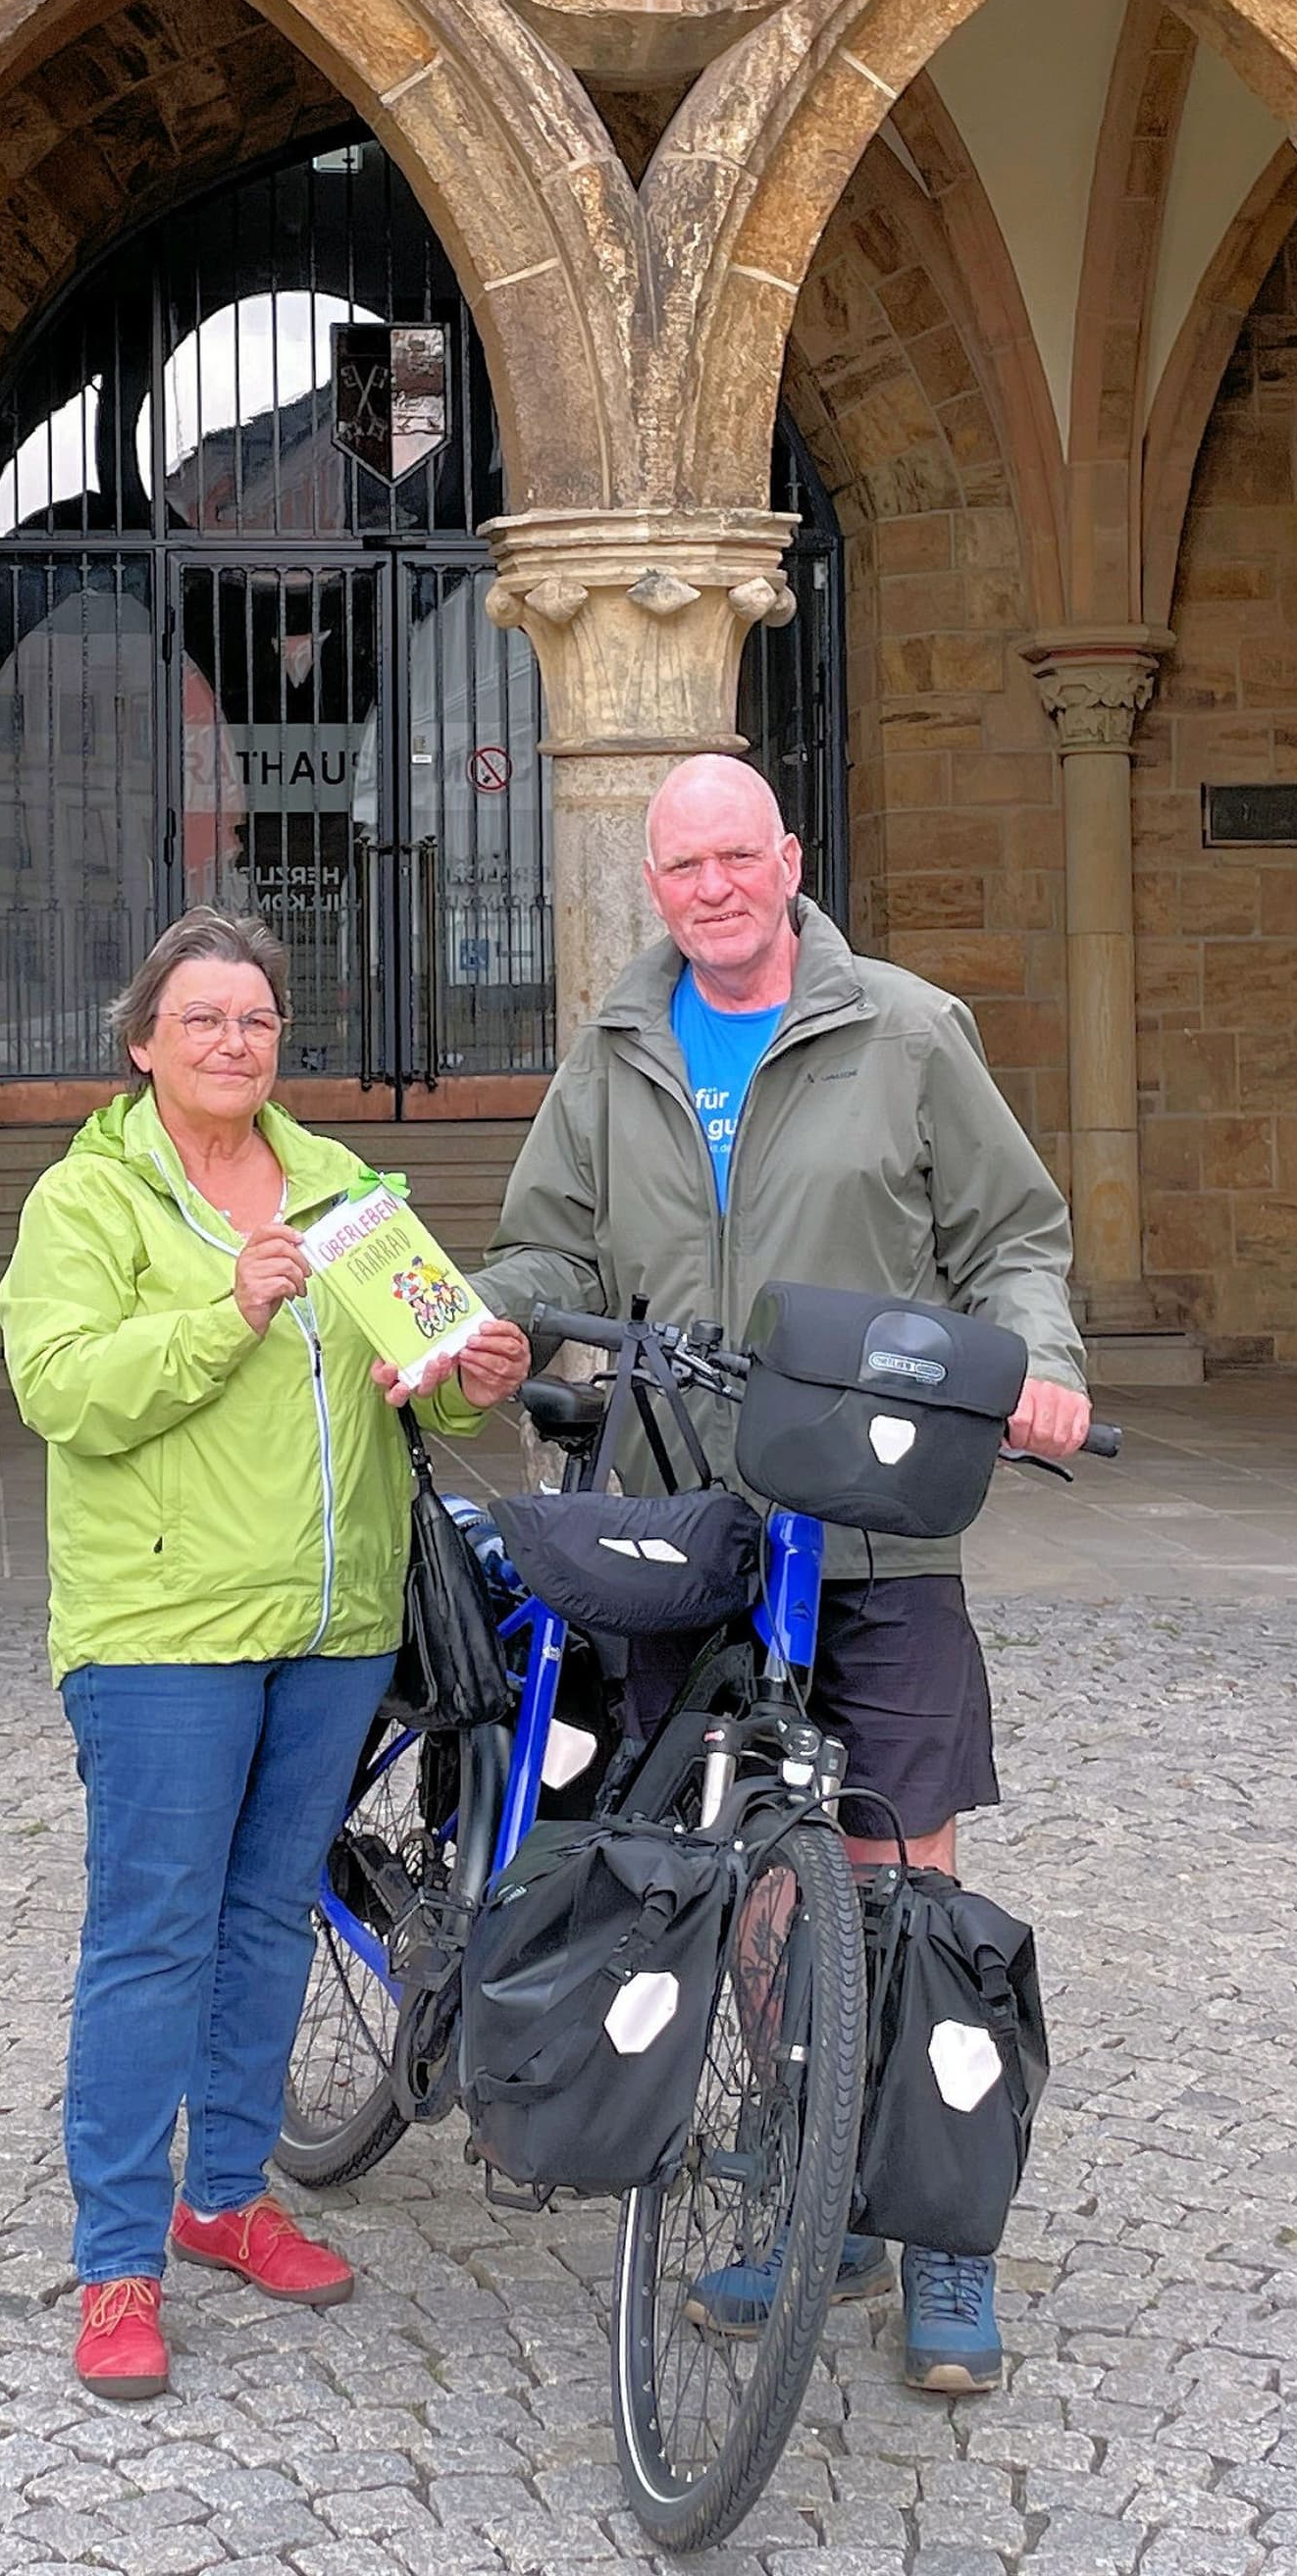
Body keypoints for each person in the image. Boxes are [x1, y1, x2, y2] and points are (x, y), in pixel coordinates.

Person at [476, 755, 1089, 2393]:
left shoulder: (902, 1027)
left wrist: (1036, 1356)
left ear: (790, 858)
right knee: (748, 1873)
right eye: (684, 865)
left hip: (878, 1523)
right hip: (702, 1523)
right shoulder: (613, 1053)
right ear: (657, 883)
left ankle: (946, 2234)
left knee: (908, 1873)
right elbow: (550, 1245)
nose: (713, 886)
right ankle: (832, 2193)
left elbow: (1014, 1233)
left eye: (738, 855)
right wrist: (499, 1317)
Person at [0, 907, 534, 2402]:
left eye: (257, 1020)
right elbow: (62, 1388)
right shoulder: (87, 1200)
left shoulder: (346, 1189)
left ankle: (226, 2193)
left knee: (265, 1921)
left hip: (335, 1620)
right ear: (142, 1041)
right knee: (152, 1932)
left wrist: (474, 1374)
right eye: (204, 1020)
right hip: (162, 1628)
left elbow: (417, 1393)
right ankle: (116, 2263)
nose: (235, 1042)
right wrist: (222, 1311)